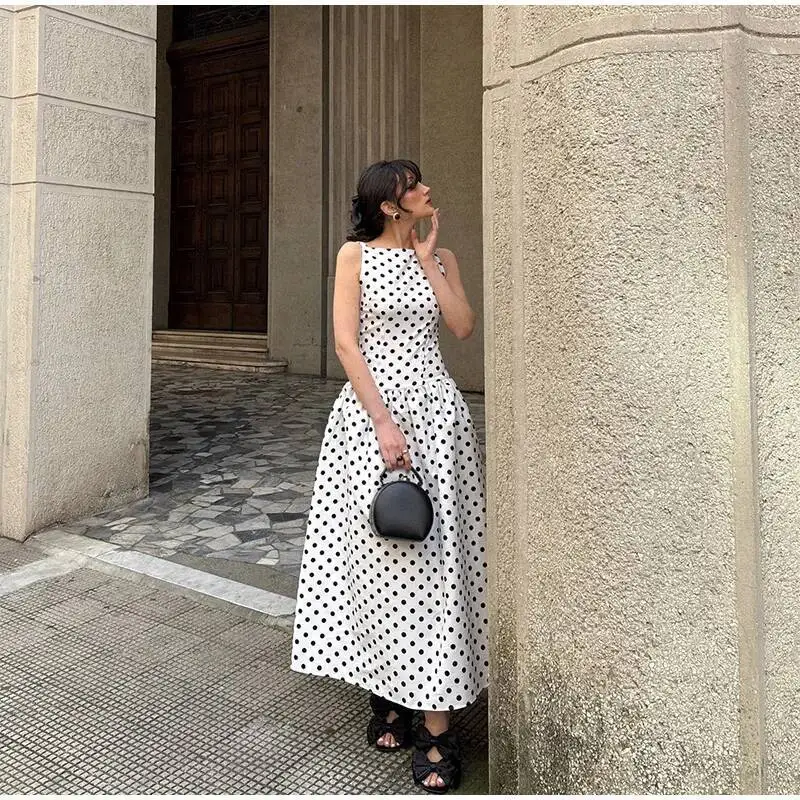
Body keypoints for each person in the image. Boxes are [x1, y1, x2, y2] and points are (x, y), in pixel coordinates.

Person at [290, 159, 487, 794]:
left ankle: (437, 726)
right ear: (389, 205)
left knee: (435, 562)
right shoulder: (354, 256)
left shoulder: (441, 256)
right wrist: (382, 423)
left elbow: (462, 327)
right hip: (371, 418)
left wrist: (430, 263)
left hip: (437, 415)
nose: (427, 189)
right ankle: (390, 690)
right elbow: (346, 344)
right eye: (414, 185)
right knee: (378, 560)